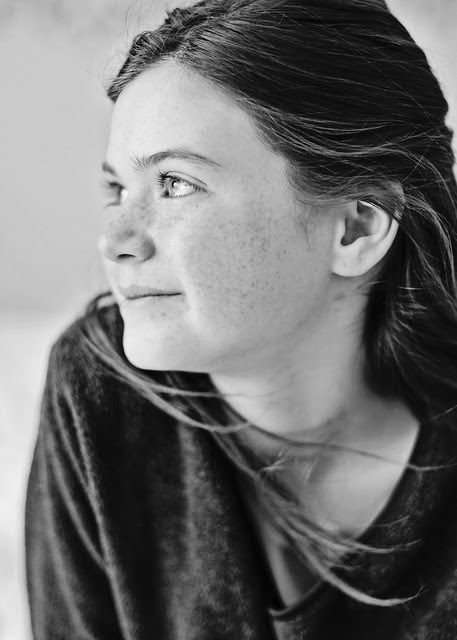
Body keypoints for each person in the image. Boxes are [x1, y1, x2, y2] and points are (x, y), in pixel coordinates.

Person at [24, 0, 457, 638]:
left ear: (356, 227)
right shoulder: (99, 389)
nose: (114, 240)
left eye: (175, 183)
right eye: (117, 190)